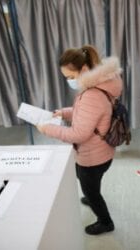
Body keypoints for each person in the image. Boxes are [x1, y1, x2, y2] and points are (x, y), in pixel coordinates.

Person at [36, 45, 123, 235]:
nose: (69, 81)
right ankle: (91, 194)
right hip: (103, 151)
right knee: (88, 180)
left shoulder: (92, 94)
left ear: (83, 70)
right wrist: (64, 113)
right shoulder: (102, 84)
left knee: (91, 189)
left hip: (93, 157)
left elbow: (78, 134)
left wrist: (47, 129)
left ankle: (105, 222)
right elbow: (87, 115)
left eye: (70, 77)